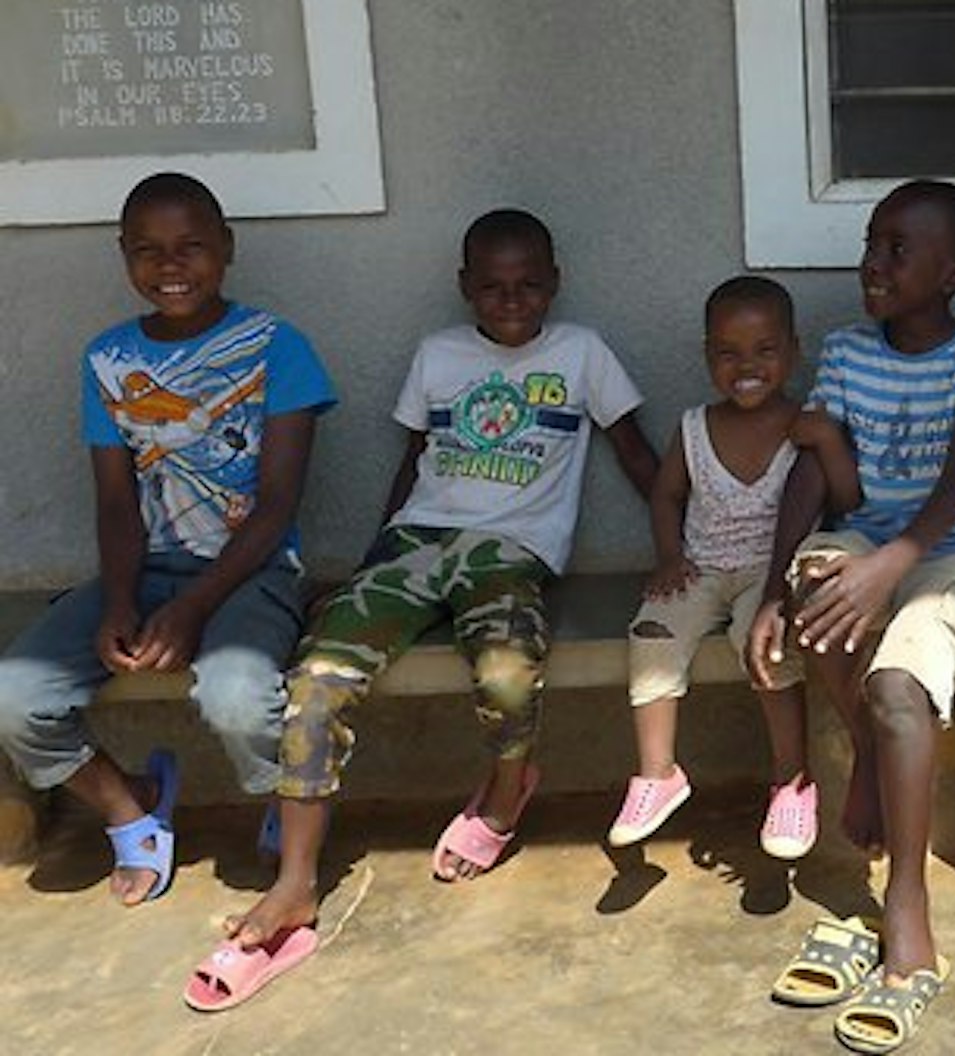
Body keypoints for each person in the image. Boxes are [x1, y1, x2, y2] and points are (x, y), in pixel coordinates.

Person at [194, 208, 658, 1011]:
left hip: (509, 552)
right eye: (492, 286)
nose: (511, 300)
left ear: (555, 282)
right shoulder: (438, 355)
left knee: (509, 675)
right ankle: (297, 883)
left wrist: (682, 550)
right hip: (417, 543)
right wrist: (376, 567)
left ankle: (508, 787)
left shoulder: (582, 353)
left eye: (529, 285)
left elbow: (637, 453)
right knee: (317, 681)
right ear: (463, 287)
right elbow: (414, 461)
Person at [0, 172, 335, 909]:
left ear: (227, 249)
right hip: (147, 571)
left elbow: (277, 505)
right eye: (148, 251)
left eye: (191, 247)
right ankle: (132, 806)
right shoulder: (107, 360)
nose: (171, 266)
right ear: (124, 256)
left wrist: (194, 609)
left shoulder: (278, 347)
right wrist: (120, 599)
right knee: (14, 695)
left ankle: (284, 798)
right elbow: (116, 502)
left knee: (237, 694)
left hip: (252, 573)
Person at [747, 179, 955, 1053]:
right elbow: (810, 471)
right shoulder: (842, 351)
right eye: (872, 243)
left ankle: (905, 901)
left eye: (898, 250)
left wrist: (892, 568)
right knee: (816, 588)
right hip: (864, 535)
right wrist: (770, 590)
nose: (874, 263)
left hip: (953, 554)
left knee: (900, 682)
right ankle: (868, 753)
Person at [611, 276, 835, 859]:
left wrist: (829, 443)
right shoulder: (693, 428)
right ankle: (658, 775)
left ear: (793, 351)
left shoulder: (804, 425)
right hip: (701, 567)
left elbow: (841, 497)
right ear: (707, 356)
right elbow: (666, 495)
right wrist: (669, 557)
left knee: (759, 642)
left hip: (771, 573)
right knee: (652, 630)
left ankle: (792, 781)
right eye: (728, 353)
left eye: (765, 350)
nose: (747, 366)